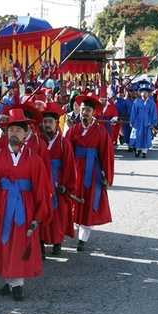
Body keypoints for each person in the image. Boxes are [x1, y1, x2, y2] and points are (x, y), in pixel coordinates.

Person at [0, 108, 52, 301]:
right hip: (3, 205)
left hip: (24, 205)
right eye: (11, 130)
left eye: (19, 131)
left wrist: (38, 215)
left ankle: (17, 284)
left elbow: (41, 188)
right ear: (6, 133)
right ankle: (9, 280)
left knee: (20, 242)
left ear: (26, 133)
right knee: (5, 241)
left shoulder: (34, 159)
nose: (14, 134)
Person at [65, 92, 114, 252]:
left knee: (89, 202)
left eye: (88, 110)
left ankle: (83, 238)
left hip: (92, 171)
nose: (85, 113)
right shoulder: (73, 130)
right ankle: (74, 227)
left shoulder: (101, 132)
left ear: (93, 113)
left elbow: (107, 156)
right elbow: (66, 152)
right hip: (75, 170)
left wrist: (107, 177)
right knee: (73, 199)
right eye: (83, 109)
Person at [39, 102, 76, 256]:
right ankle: (40, 242)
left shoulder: (63, 143)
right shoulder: (37, 141)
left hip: (57, 183)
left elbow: (69, 166)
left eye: (50, 122)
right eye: (45, 121)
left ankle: (57, 242)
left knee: (58, 214)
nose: (47, 124)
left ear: (56, 123)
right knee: (41, 211)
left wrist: (66, 187)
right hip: (41, 183)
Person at [129, 84, 158, 158]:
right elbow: (133, 112)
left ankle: (144, 152)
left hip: (147, 121)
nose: (144, 94)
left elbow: (153, 113)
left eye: (146, 92)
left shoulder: (152, 103)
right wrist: (132, 121)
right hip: (138, 121)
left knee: (146, 136)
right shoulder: (137, 102)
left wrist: (153, 123)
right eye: (142, 92)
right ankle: (137, 149)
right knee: (137, 135)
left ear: (148, 94)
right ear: (140, 93)